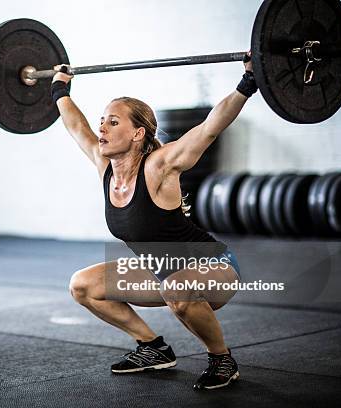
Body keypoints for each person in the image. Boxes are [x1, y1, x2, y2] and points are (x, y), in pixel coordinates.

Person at [51, 53, 257, 390]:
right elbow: (76, 125)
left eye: (113, 122)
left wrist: (248, 83)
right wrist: (59, 90)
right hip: (161, 271)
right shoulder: (105, 169)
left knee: (176, 286)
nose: (101, 127)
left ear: (137, 134)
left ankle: (222, 358)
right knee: (82, 285)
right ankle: (152, 348)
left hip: (213, 266)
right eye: (102, 120)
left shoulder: (158, 167)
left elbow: (209, 129)